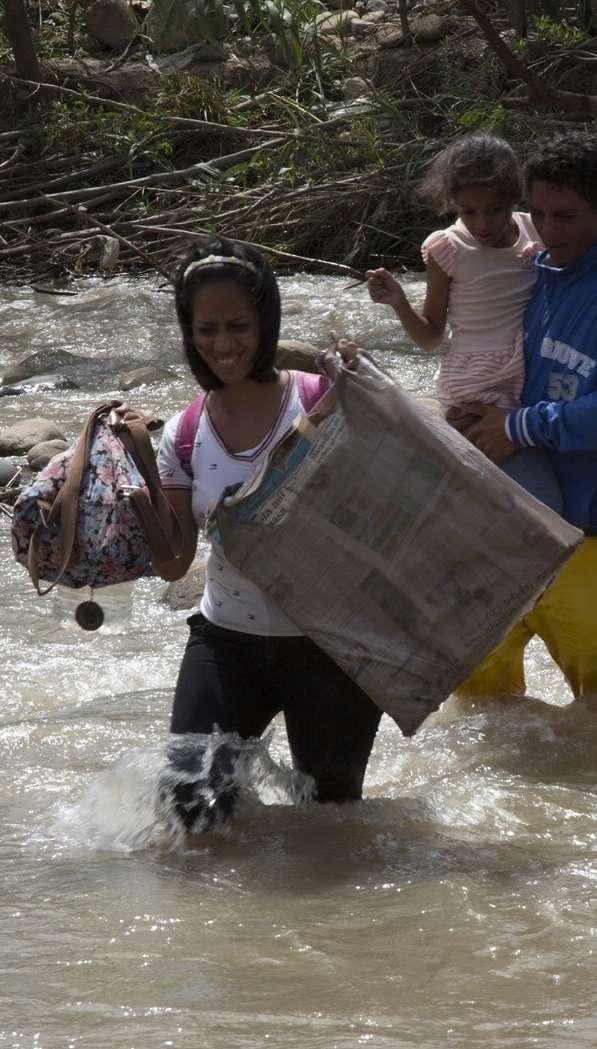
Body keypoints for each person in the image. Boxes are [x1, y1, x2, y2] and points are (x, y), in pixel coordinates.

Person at [154, 236, 382, 830]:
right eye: (206, 330)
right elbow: (174, 563)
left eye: (239, 326)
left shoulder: (323, 399)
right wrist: (133, 476)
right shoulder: (183, 433)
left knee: (331, 824)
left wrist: (369, 390)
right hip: (226, 640)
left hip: (330, 645)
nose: (223, 344)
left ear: (266, 323)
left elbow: (394, 503)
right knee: (190, 808)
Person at [450, 130, 597, 703]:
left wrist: (519, 426)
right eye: (538, 214)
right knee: (477, 709)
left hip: (583, 541)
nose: (550, 230)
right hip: (508, 526)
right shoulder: (533, 272)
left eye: (566, 216)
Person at [366, 131, 562, 512]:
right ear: (453, 203)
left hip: (531, 375)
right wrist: (399, 302)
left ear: (514, 199)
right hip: (478, 385)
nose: (482, 223)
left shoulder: (534, 229)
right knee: (533, 497)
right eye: (468, 211)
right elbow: (431, 338)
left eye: (494, 210)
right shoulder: (449, 248)